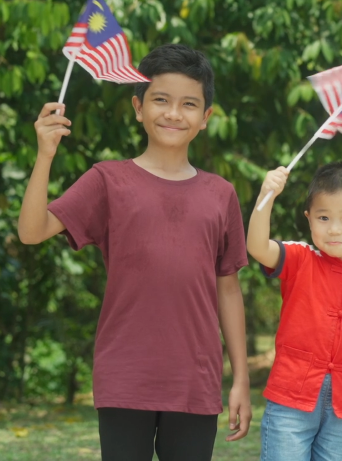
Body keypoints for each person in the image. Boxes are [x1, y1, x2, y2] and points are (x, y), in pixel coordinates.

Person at [17, 44, 251, 461]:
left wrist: (241, 379)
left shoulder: (221, 194)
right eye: (160, 100)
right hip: (125, 375)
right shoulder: (108, 180)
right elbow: (32, 231)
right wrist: (45, 154)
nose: (173, 114)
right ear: (138, 107)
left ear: (205, 117)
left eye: (188, 104)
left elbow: (228, 289)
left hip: (195, 379)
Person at [247, 161, 342, 461]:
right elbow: (258, 247)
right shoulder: (299, 258)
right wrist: (266, 196)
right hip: (291, 397)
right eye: (323, 217)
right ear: (309, 219)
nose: (334, 229)